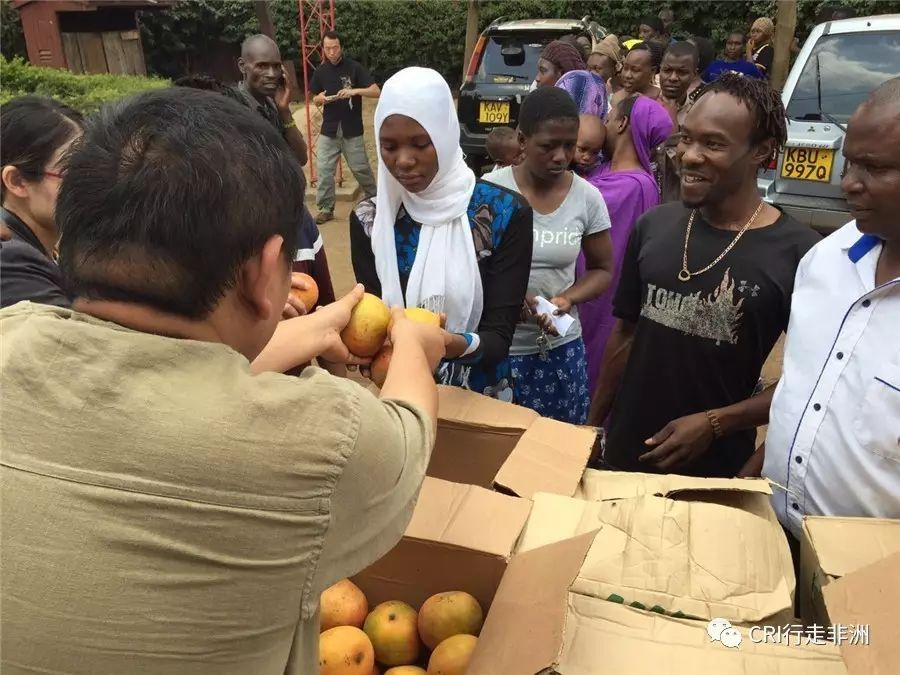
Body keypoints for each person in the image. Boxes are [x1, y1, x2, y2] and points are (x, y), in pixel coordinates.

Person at [0, 87, 447, 674]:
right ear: (266, 276)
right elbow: (409, 430)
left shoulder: (9, 334)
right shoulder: (321, 440)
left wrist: (311, 332)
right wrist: (415, 345)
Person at [588, 73, 821, 477]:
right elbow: (624, 336)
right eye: (686, 138)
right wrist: (591, 426)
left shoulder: (799, 253)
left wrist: (719, 427)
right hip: (625, 459)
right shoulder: (654, 226)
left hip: (717, 473)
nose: (689, 156)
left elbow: (814, 385)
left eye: (713, 144)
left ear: (761, 152)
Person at [758, 78, 900, 536]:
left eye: (873, 168)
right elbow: (808, 394)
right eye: (850, 162)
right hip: (775, 537)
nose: (848, 184)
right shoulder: (825, 260)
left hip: (871, 578)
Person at [351, 67, 533, 402]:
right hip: (400, 394)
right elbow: (373, 322)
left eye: (421, 144)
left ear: (445, 137)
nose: (404, 161)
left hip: (479, 397)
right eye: (388, 146)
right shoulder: (370, 220)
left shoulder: (503, 214)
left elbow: (497, 338)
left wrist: (445, 344)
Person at [485, 87, 614, 424]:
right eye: (548, 146)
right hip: (499, 351)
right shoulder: (489, 192)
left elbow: (603, 269)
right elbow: (469, 267)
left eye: (569, 145)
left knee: (554, 457)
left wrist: (567, 299)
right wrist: (509, 299)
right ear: (523, 141)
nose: (561, 156)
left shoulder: (587, 198)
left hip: (559, 353)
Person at [577, 94, 673, 395]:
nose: (604, 122)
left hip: (601, 301)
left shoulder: (636, 186)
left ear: (622, 123)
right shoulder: (601, 171)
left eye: (609, 116)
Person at [1, 96, 82, 309]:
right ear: (17, 182)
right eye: (72, 172)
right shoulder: (10, 262)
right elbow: (72, 338)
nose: (89, 185)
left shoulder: (51, 249)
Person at [310, 31, 380, 224]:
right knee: (324, 169)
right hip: (329, 129)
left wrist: (354, 91)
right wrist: (320, 99)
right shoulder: (320, 71)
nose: (332, 52)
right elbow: (314, 97)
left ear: (341, 47)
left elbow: (376, 91)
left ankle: (376, 201)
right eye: (327, 48)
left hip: (352, 128)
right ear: (323, 49)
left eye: (335, 47)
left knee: (361, 168)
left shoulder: (354, 67)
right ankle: (326, 208)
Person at [237, 34, 308, 167]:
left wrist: (284, 112)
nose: (271, 74)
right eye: (262, 66)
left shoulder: (273, 106)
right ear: (242, 66)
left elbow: (301, 158)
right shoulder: (233, 108)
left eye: (276, 66)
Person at [659, 41, 700, 126]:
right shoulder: (642, 105)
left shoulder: (698, 114)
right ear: (660, 70)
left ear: (694, 74)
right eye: (667, 70)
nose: (673, 78)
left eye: (682, 72)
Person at [587, 34, 625, 100]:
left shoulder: (627, 97)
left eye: (597, 68)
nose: (591, 73)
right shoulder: (586, 93)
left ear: (615, 68)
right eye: (588, 68)